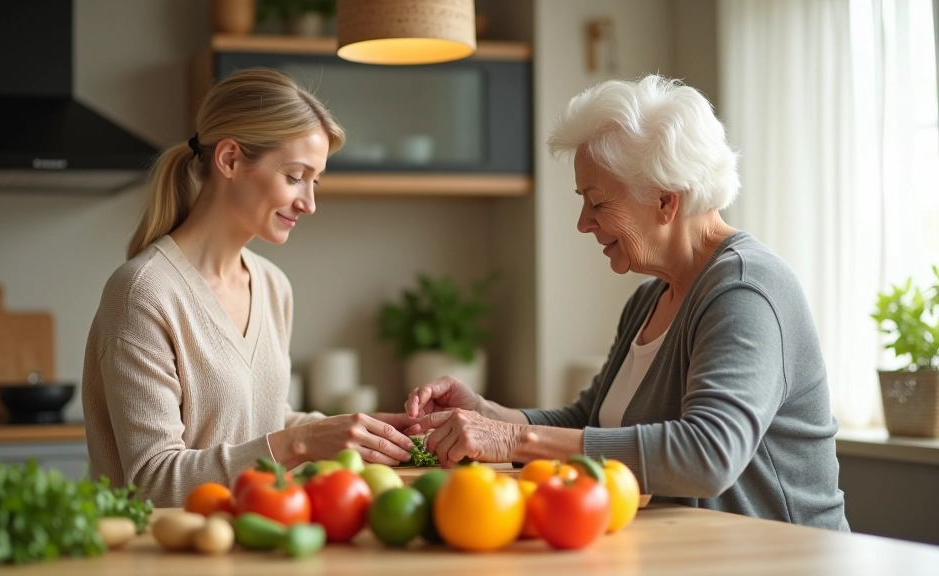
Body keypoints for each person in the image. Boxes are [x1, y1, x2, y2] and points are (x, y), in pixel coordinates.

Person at [402, 75, 848, 530]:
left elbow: (708, 455)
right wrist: (485, 414)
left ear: (665, 202)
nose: (583, 223)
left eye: (597, 203)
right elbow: (589, 420)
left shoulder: (744, 291)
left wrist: (513, 439)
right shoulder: (649, 298)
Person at [82, 68, 413, 507]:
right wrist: (302, 442)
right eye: (295, 176)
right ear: (231, 159)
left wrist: (364, 431)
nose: (309, 203)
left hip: (260, 543)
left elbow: (257, 425)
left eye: (315, 181)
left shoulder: (274, 286)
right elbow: (154, 482)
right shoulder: (143, 293)